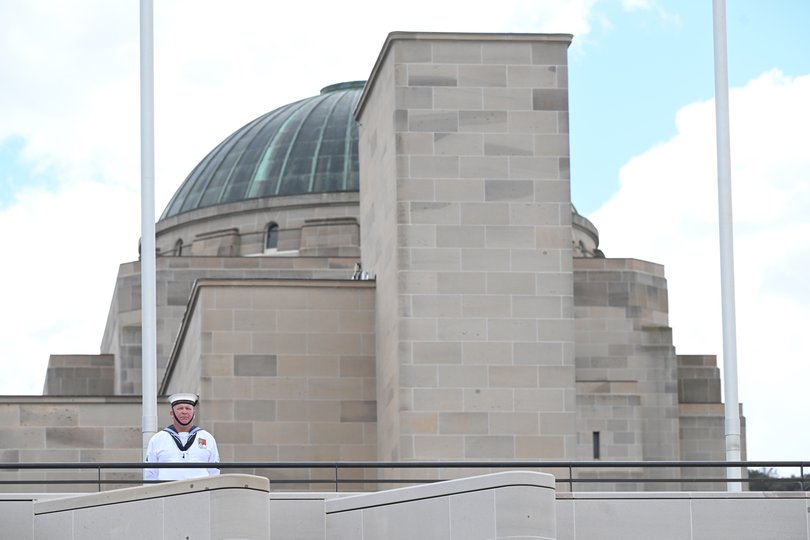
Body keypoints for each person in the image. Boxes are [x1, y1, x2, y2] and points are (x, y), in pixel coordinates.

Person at [144, 393, 220, 481]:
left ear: (194, 414)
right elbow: (150, 473)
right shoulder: (158, 439)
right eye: (180, 408)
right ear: (172, 413)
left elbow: (214, 472)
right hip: (168, 492)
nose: (184, 412)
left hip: (200, 492)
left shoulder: (207, 438)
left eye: (188, 408)